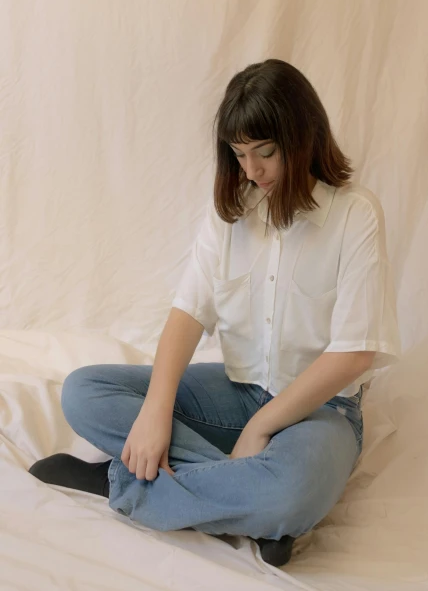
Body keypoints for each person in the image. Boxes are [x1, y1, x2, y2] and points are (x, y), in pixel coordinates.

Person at [29, 59, 401, 567]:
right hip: (236, 391)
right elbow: (188, 313)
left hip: (324, 411)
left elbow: (354, 353)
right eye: (239, 154)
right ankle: (248, 505)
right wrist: (156, 412)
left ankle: (124, 479)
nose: (251, 170)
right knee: (83, 391)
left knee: (294, 491)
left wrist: (260, 429)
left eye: (265, 153)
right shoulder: (233, 211)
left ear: (304, 137)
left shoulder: (355, 215)